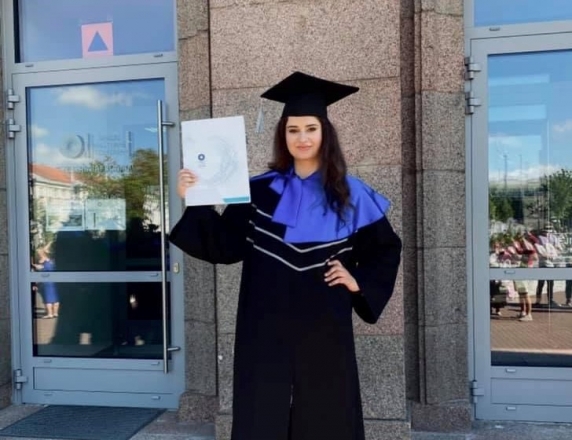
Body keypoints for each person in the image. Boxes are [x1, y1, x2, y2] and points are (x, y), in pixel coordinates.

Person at [169, 72, 402, 440]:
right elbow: (225, 245)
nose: (302, 138)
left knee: (327, 410)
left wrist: (358, 280)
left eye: (310, 128)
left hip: (325, 323)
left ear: (325, 133)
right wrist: (195, 201)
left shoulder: (351, 194)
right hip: (265, 321)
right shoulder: (257, 191)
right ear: (283, 135)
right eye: (293, 130)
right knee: (262, 409)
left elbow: (386, 248)